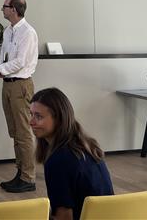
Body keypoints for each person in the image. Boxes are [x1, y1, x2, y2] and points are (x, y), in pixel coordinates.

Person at [30, 88, 114, 220]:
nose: (31, 122)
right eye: (31, 115)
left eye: (38, 116)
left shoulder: (58, 161)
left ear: (59, 119)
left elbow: (65, 217)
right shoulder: (89, 146)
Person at [0, 0, 39, 193]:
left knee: (23, 133)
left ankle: (28, 178)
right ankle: (20, 173)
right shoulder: (8, 31)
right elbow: (3, 57)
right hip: (8, 84)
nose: (2, 9)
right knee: (15, 131)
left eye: (4, 6)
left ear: (14, 9)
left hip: (21, 85)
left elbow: (20, 61)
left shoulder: (28, 32)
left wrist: (1, 69)